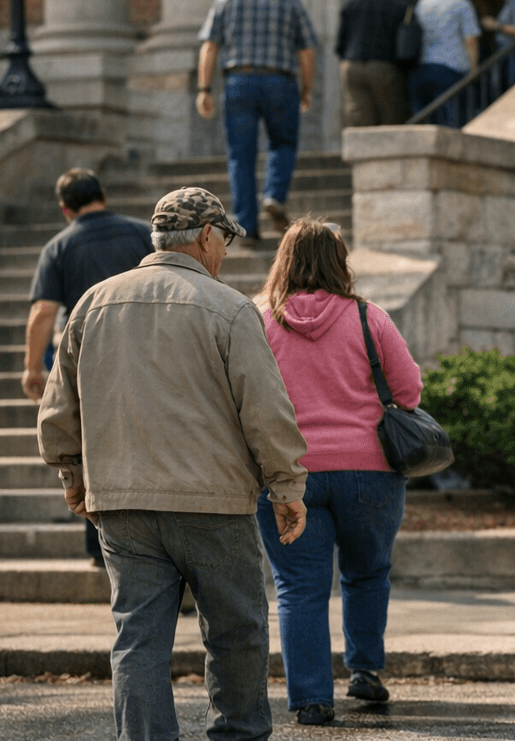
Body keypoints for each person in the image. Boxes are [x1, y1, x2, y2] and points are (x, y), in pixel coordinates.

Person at [37, 187, 308, 741]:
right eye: (226, 239)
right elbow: (266, 409)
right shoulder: (229, 307)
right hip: (212, 502)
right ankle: (237, 734)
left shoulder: (93, 303)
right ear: (207, 236)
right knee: (236, 633)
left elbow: (58, 409)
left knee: (137, 641)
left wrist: (73, 476)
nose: (226, 252)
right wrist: (286, 485)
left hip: (123, 502)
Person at [252, 219, 424, 726]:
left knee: (299, 585)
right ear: (339, 260)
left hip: (288, 474)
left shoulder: (258, 319)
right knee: (367, 572)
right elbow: (409, 392)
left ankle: (311, 699)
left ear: (283, 261)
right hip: (369, 470)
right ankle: (366, 672)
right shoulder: (370, 318)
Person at [22, 168, 153, 568]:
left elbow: (44, 311)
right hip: (147, 352)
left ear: (65, 209)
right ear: (104, 194)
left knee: (91, 445)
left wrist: (32, 368)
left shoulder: (59, 247)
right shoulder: (139, 234)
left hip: (88, 363)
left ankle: (101, 545)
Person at [195, 0, 319, 241]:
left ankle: (247, 225)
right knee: (283, 143)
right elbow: (307, 50)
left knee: (241, 154)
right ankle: (274, 195)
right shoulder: (290, 0)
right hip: (280, 81)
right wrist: (307, 88)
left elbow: (209, 46)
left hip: (239, 80)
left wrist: (204, 89)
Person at [337, 0, 413, 127]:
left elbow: (340, 43)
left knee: (358, 121)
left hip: (352, 66)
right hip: (386, 67)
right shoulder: (403, 5)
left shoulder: (353, 3)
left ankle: (361, 153)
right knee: (392, 121)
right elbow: (409, 45)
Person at [410, 0, 479, 127]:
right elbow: (471, 40)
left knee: (428, 124)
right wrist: (474, 70)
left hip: (423, 67)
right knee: (454, 124)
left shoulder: (422, 3)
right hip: (452, 68)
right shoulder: (461, 3)